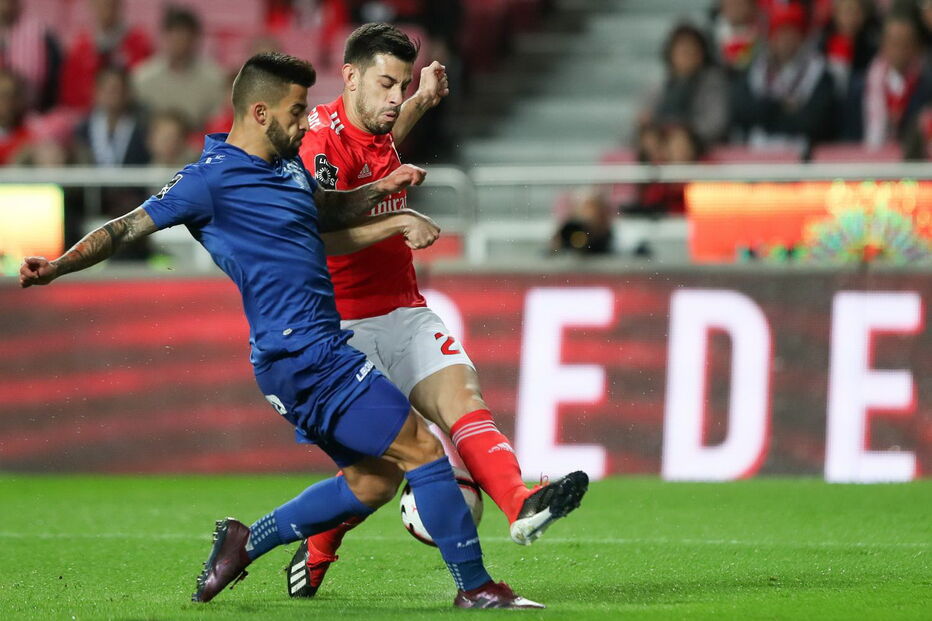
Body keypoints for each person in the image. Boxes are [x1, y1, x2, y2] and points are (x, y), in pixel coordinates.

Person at [19, 51, 542, 610]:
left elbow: (328, 213)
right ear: (261, 112)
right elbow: (125, 228)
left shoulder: (287, 166)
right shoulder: (208, 181)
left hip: (305, 354)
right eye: (296, 112)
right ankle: (476, 588)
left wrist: (384, 191)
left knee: (374, 483)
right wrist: (57, 266)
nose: (305, 123)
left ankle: (243, 545)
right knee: (421, 449)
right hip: (302, 352)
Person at [288, 23, 589, 599]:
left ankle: (520, 502)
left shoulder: (376, 121)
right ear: (349, 77)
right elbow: (318, 230)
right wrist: (396, 221)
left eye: (403, 85)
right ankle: (319, 545)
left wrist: (421, 102)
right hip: (342, 326)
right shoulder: (319, 142)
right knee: (379, 475)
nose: (395, 97)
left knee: (462, 400)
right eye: (386, 84)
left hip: (403, 308)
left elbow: (382, 142)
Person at [732, 2, 837, 153]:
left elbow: (815, 120)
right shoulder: (756, 69)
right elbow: (743, 111)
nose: (785, 40)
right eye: (780, 33)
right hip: (757, 151)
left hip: (803, 152)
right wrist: (782, 107)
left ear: (801, 37)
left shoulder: (818, 70)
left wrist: (768, 112)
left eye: (792, 33)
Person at [132, 5, 225, 130]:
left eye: (185, 38)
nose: (181, 44)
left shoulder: (215, 79)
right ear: (164, 37)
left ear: (196, 39)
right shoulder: (142, 78)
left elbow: (218, 124)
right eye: (175, 37)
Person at [642, 22, 729, 146]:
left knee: (680, 143)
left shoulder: (713, 82)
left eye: (692, 50)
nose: (687, 55)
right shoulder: (659, 86)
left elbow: (716, 125)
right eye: (682, 50)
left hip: (699, 147)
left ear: (702, 54)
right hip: (663, 145)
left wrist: (685, 133)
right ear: (670, 54)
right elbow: (643, 121)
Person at [59, 0, 154, 110]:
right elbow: (70, 95)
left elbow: (144, 88)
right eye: (102, 3)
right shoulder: (79, 47)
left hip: (129, 114)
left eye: (111, 3)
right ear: (92, 5)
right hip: (86, 116)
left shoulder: (139, 42)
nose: (106, 8)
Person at [863, 9, 932, 148]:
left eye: (905, 43)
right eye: (894, 42)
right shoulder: (859, 86)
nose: (900, 50)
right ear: (883, 44)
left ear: (915, 47)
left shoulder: (927, 86)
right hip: (869, 162)